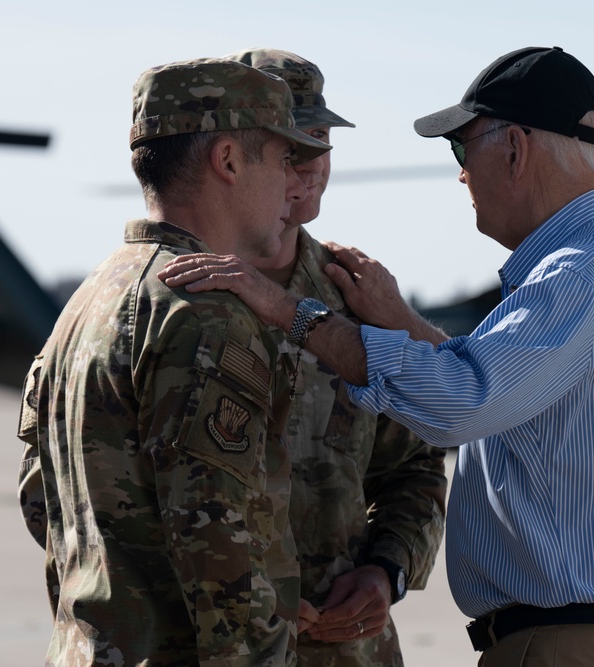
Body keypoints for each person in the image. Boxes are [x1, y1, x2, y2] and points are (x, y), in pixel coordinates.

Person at [159, 46, 594, 667]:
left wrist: (296, 314)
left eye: (461, 150)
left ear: (516, 150)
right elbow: (499, 391)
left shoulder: (578, 277)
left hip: (571, 642)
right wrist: (400, 322)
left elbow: (456, 405)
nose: (462, 175)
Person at [15, 57, 330, 665]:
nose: (293, 183)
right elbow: (219, 548)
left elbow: (41, 503)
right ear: (230, 160)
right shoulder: (203, 312)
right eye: (281, 158)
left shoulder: (89, 300)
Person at [223, 47, 448, 667]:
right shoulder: (174, 296)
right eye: (287, 146)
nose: (307, 166)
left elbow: (417, 464)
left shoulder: (357, 296)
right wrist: (231, 587)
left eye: (318, 141)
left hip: (348, 651)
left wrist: (387, 570)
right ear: (231, 158)